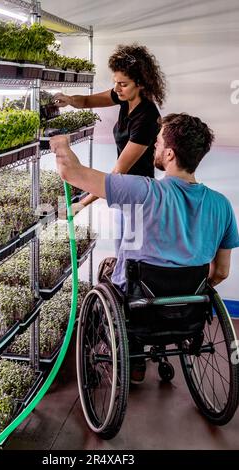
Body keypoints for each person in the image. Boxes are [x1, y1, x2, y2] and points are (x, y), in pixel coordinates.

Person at [50, 113, 239, 382]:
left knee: (108, 273)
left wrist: (60, 142)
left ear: (170, 154)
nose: (154, 146)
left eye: (159, 142)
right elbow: (220, 272)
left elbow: (72, 172)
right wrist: (182, 287)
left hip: (138, 305)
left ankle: (105, 360)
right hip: (189, 310)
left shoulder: (142, 191)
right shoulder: (222, 205)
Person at [54, 43, 166, 254]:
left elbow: (118, 173)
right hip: (125, 191)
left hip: (138, 197)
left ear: (141, 83)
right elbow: (88, 100)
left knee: (131, 257)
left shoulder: (147, 117)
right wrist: (69, 100)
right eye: (115, 83)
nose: (116, 89)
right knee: (123, 252)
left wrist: (82, 204)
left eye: (123, 84)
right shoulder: (124, 97)